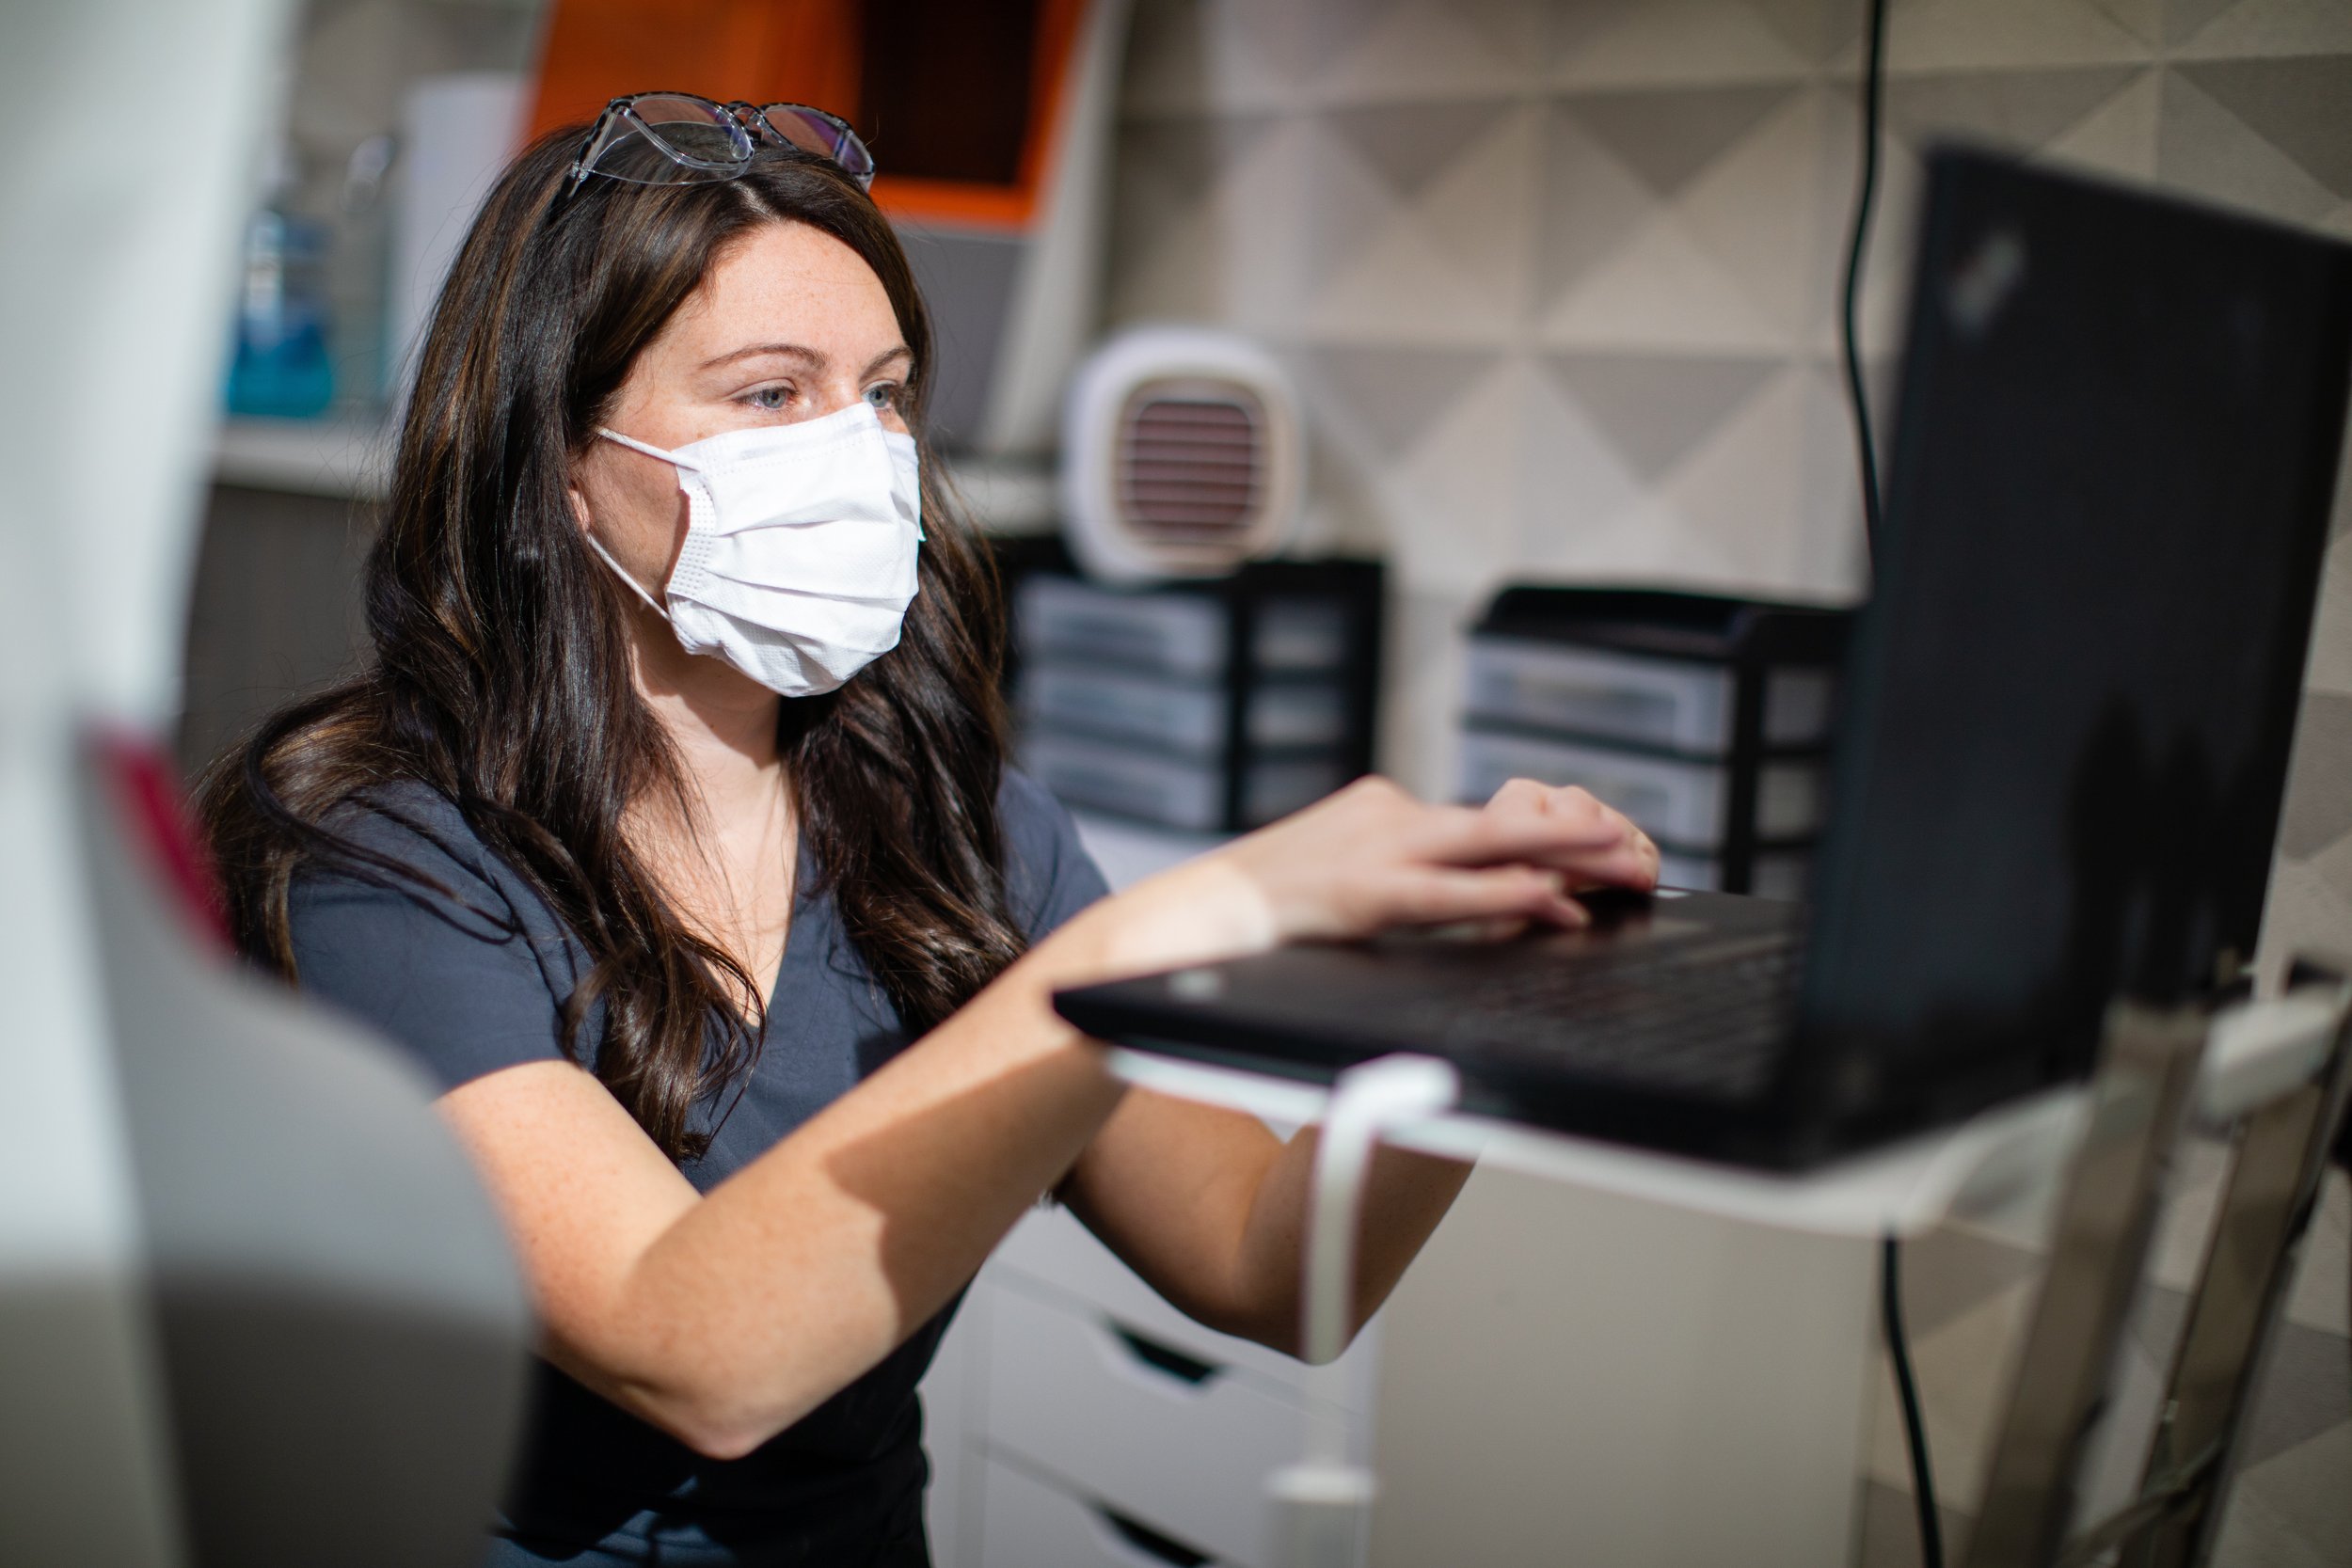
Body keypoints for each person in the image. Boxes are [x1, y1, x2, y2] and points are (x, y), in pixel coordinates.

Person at [199, 95, 1660, 1566]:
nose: (856, 453)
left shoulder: (966, 841)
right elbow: (690, 1346)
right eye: (772, 396)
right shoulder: (377, 854)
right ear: (562, 464)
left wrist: (1476, 994)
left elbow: (1277, 1267)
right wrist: (1185, 923)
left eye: (883, 392)